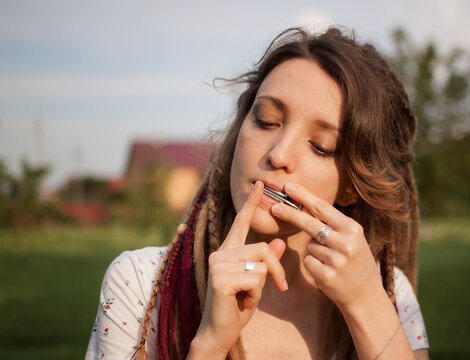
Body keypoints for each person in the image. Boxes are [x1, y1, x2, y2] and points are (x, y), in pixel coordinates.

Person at [86, 26, 430, 360]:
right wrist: (209, 346)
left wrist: (366, 306)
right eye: (266, 121)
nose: (278, 154)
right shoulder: (140, 283)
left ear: (354, 186)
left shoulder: (387, 293)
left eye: (321, 146)